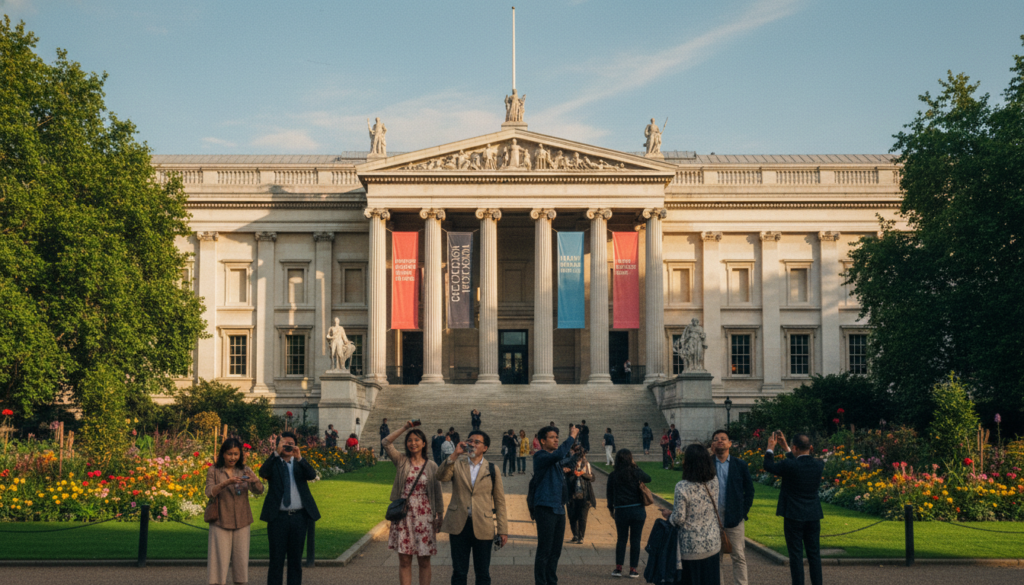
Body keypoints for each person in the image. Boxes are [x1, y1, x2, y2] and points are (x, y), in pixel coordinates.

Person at [437, 430, 509, 585]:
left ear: (485, 448)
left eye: (477, 442)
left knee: (483, 573)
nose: (472, 444)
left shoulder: (492, 469)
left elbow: (499, 501)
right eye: (470, 440)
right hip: (459, 524)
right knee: (459, 572)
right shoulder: (457, 464)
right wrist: (455, 454)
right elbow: (441, 477)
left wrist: (503, 529)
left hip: (483, 525)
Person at [382, 421, 444, 585]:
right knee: (404, 561)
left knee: (424, 561)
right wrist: (405, 427)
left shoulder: (431, 466)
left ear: (424, 444)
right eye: (410, 440)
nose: (413, 443)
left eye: (417, 440)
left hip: (425, 518)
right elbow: (386, 442)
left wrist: (440, 515)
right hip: (404, 517)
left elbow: (437, 493)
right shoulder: (401, 461)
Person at [259, 431, 321, 585]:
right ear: (279, 445)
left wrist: (299, 457)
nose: (288, 447)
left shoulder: (299, 463)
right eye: (284, 444)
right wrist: (275, 454)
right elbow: (263, 472)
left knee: (295, 560)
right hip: (278, 518)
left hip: (298, 518)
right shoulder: (274, 463)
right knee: (276, 560)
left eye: (290, 444)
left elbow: (312, 475)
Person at [764, 432, 825, 585]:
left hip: (793, 514)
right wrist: (786, 448)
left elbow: (768, 466)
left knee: (796, 556)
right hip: (813, 514)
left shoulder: (788, 465)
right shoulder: (819, 463)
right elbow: (798, 462)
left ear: (795, 447)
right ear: (810, 447)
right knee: (814, 555)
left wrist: (770, 448)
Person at [206, 438, 264, 585]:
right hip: (220, 520)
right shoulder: (214, 470)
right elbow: (209, 492)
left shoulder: (244, 469)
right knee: (218, 562)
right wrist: (227, 482)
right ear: (223, 454)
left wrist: (255, 480)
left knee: (241, 562)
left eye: (236, 454)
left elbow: (259, 491)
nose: (233, 458)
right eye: (229, 454)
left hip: (242, 520)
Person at [661, 443, 720, 585]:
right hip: (712, 542)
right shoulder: (714, 481)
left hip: (691, 546)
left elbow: (679, 518)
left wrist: (669, 515)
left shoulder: (682, 486)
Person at [533, 424, 580, 585]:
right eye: (552, 437)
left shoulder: (555, 460)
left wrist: (577, 456)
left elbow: (564, 458)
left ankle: (551, 581)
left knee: (555, 550)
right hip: (545, 507)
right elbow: (560, 453)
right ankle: (541, 582)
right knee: (545, 549)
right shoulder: (540, 456)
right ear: (542, 441)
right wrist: (572, 436)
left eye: (557, 437)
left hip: (559, 508)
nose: (556, 440)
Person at [712, 429, 754, 585]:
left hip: (735, 517)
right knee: (716, 558)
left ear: (730, 443)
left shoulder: (740, 464)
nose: (720, 441)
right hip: (713, 517)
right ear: (712, 444)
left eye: (723, 438)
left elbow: (749, 490)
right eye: (716, 439)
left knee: (738, 556)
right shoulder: (707, 464)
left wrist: (743, 512)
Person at [606, 449, 652, 578]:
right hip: (637, 510)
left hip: (621, 510)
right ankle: (633, 569)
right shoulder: (636, 472)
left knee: (621, 539)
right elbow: (648, 478)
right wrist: (635, 466)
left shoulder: (613, 475)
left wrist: (611, 509)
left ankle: (618, 568)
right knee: (635, 540)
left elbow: (609, 495)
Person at [566, 443, 596, 545]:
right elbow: (566, 480)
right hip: (572, 495)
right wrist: (572, 472)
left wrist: (583, 474)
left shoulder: (586, 464)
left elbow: (592, 477)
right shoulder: (569, 465)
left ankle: (581, 536)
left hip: (584, 495)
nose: (580, 462)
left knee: (582, 517)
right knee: (572, 516)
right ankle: (575, 534)